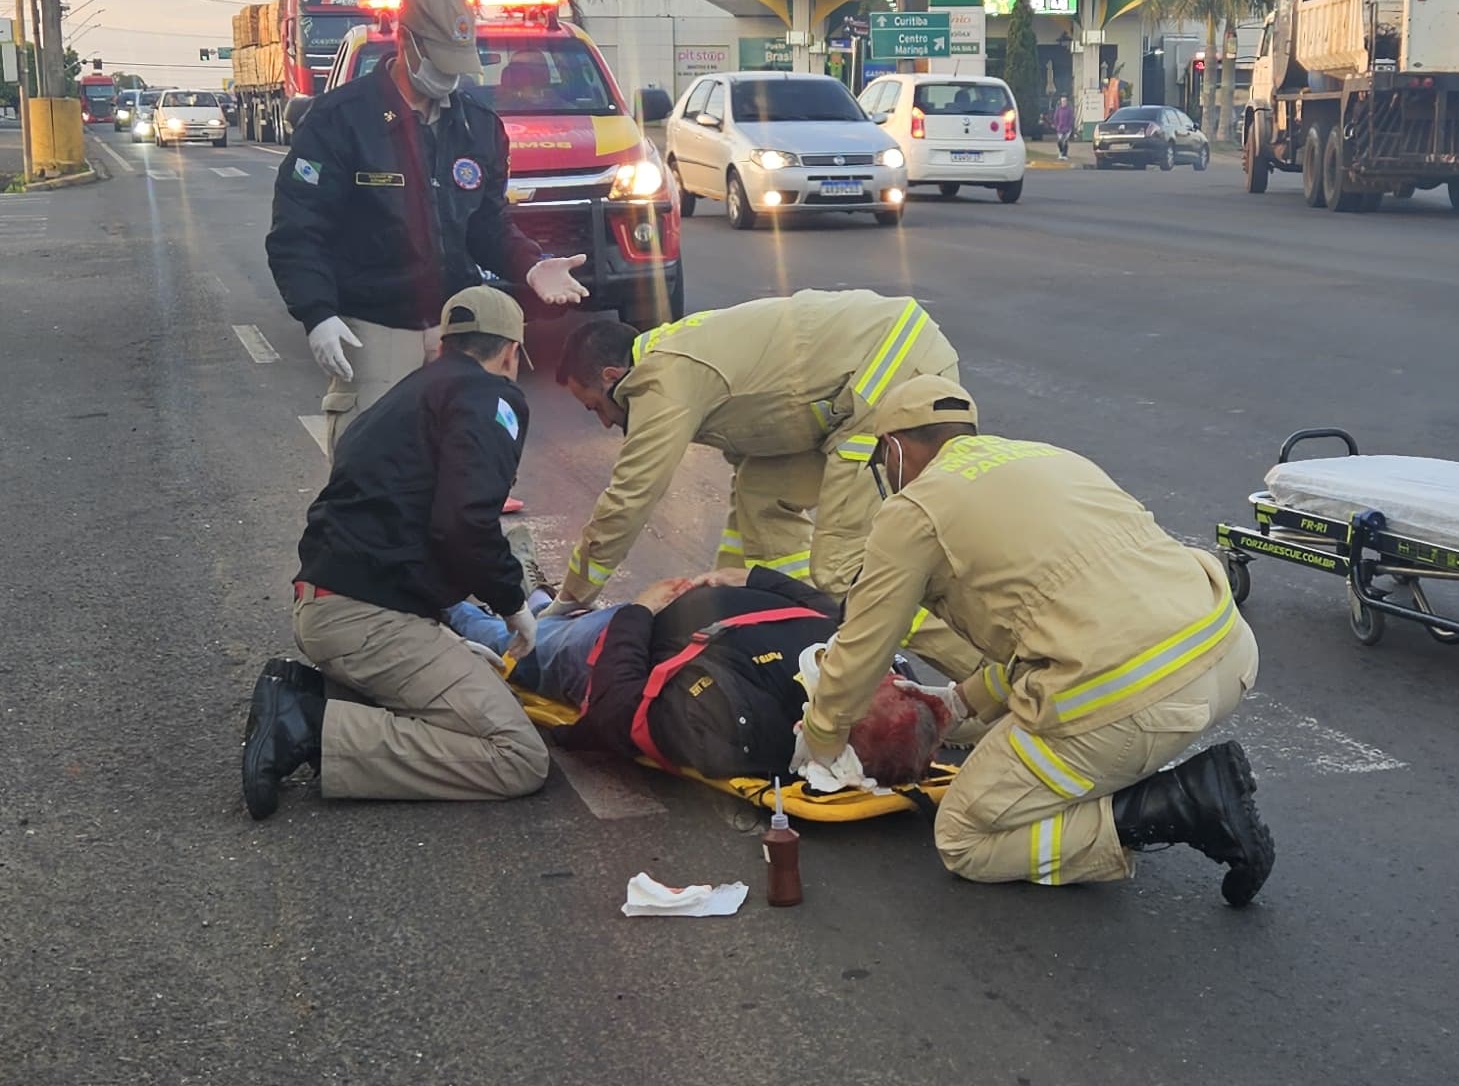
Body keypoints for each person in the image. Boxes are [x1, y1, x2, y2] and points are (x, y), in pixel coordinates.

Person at [790, 377, 1274, 903]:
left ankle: (1174, 806)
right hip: (1227, 652)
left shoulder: (915, 511)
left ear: (895, 448)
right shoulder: (1048, 458)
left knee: (963, 838)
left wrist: (820, 737)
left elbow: (864, 646)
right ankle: (1136, 783)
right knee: (1081, 694)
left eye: (881, 461)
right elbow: (1063, 624)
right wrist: (960, 702)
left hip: (1132, 698)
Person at [243, 284, 551, 816]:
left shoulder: (411, 393)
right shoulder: (491, 397)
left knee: (465, 695)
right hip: (369, 619)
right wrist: (513, 604)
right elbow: (463, 523)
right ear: (509, 352)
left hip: (331, 602)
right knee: (518, 756)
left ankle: (326, 699)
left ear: (444, 346)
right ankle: (308, 725)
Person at [265, 0, 587, 453]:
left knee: (452, 468)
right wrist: (317, 313)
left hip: (452, 330)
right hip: (374, 328)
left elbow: (487, 224)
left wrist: (530, 263)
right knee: (370, 467)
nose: (450, 78)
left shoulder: (476, 127)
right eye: (440, 64)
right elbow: (297, 229)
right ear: (405, 40)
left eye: (459, 65)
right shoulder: (341, 120)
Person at [547, 289, 960, 610]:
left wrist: (570, 598)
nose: (604, 422)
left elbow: (629, 497)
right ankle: (784, 621)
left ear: (612, 376)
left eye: (596, 406)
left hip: (891, 374)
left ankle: (975, 672)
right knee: (760, 498)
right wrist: (718, 603)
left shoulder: (662, 380)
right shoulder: (674, 357)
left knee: (843, 569)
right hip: (863, 379)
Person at [526, 566, 953, 786]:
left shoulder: (736, 724)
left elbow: (618, 709)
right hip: (694, 605)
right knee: (544, 616)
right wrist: (754, 578)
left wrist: (640, 611)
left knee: (523, 638)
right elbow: (835, 614)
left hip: (623, 636)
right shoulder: (889, 673)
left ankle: (480, 610)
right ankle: (534, 596)